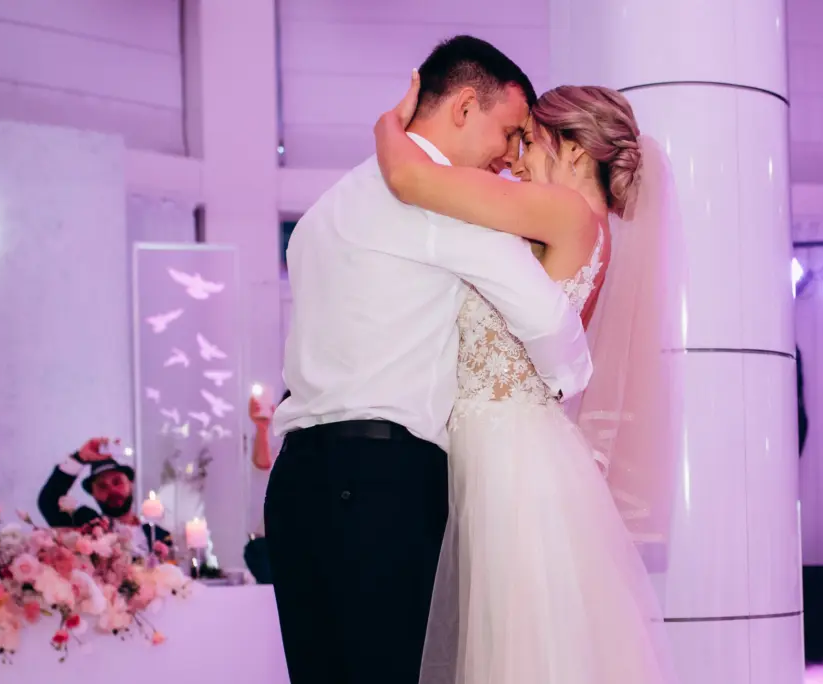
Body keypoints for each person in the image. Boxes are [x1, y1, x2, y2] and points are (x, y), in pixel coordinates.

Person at [267, 36, 593, 684]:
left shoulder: (322, 213)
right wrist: (559, 389)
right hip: (382, 484)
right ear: (466, 106)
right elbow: (546, 319)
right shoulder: (447, 207)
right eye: (508, 132)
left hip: (295, 486)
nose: (507, 158)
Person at [375, 72, 683, 683]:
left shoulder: (563, 209)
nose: (516, 158)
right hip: (517, 447)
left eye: (529, 139)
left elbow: (412, 180)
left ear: (572, 148)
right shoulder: (583, 231)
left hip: (503, 453)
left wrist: (388, 124)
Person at [37, 437, 172, 553]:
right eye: (102, 486)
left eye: (117, 482)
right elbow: (48, 501)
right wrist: (80, 458)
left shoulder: (159, 535)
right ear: (93, 493)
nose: (112, 490)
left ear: (130, 483)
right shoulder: (85, 523)